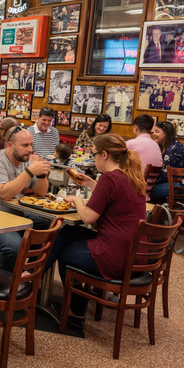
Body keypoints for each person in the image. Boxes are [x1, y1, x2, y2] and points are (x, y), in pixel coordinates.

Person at [44, 134, 147, 322]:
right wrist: (92, 184)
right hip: (136, 253)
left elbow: (88, 217)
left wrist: (75, 199)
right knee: (67, 232)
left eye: (94, 155)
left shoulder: (109, 178)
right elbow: (113, 198)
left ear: (105, 155)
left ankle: (75, 311)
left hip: (116, 255)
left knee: (65, 253)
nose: (93, 160)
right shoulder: (131, 176)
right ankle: (35, 276)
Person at [0, 126, 51, 271]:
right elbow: (4, 193)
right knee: (14, 246)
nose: (30, 149)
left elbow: (40, 193)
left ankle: (28, 271)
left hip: (14, 215)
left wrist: (41, 175)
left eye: (31, 145)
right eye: (25, 145)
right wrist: (30, 171)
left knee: (48, 227)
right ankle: (7, 282)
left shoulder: (27, 160)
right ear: (10, 145)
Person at [150, 121, 184, 203]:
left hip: (176, 185)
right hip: (171, 183)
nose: (153, 134)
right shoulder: (171, 144)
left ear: (166, 134)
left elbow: (164, 175)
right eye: (154, 131)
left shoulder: (173, 149)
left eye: (157, 131)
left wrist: (147, 180)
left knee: (143, 191)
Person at [126, 114, 163, 183]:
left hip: (136, 188)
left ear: (136, 127)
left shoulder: (132, 143)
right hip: (150, 188)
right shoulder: (156, 145)